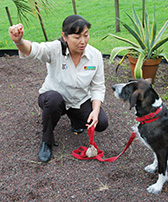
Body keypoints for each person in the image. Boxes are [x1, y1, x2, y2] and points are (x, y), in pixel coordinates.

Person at [8, 15, 108, 163]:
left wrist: (95, 110)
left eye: (86, 35)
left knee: (101, 123)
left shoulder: (95, 55)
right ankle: (46, 141)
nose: (83, 41)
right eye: (77, 37)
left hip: (79, 100)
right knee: (54, 100)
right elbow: (34, 50)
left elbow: (98, 86)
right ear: (65, 36)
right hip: (53, 98)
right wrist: (19, 41)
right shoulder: (55, 49)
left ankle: (76, 119)